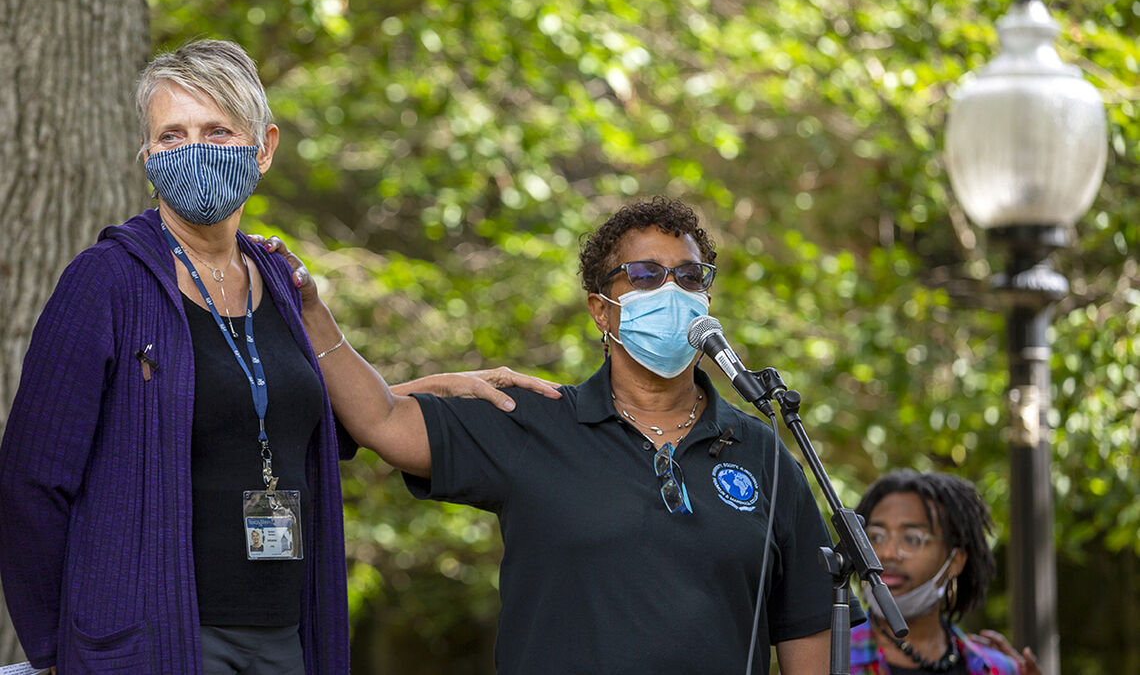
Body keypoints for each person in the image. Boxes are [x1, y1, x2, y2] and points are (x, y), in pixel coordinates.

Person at [0, 39, 557, 675]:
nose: (194, 152)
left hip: (284, 634)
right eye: (171, 136)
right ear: (148, 158)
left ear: (262, 148)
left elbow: (283, 419)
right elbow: (31, 481)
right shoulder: (107, 282)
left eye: (217, 130)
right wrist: (53, 650)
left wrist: (430, 389)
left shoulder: (280, 277)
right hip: (155, 639)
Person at [268, 196, 855, 673]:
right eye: (645, 276)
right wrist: (315, 314)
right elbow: (381, 421)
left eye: (688, 276)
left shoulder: (762, 449)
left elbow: (803, 623)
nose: (670, 292)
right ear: (601, 310)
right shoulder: (535, 420)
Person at [850, 470, 1042, 674]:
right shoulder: (828, 657)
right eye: (876, 537)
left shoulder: (994, 668)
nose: (887, 553)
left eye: (912, 538)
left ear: (955, 560)